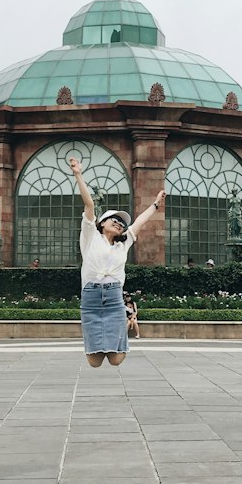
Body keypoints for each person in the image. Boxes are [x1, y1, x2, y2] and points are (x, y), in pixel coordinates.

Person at [69, 155, 165, 367]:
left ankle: (113, 339)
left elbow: (139, 222)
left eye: (122, 223)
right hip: (91, 299)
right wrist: (78, 174)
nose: (120, 224)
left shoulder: (123, 244)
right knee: (94, 362)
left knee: (116, 360)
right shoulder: (90, 237)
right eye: (115, 220)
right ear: (102, 223)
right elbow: (89, 204)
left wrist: (156, 205)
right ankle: (100, 342)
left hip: (114, 299)